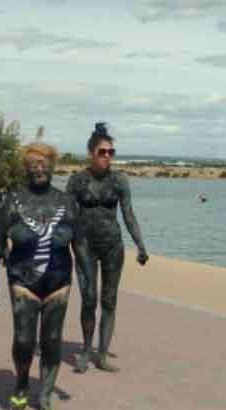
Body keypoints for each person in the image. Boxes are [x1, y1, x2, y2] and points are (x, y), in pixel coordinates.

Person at [0, 143, 80, 410]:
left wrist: (88, 284)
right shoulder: (12, 201)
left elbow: (82, 244)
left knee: (51, 341)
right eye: (33, 164)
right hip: (22, 281)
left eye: (44, 163)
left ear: (52, 166)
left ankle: (46, 396)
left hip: (59, 281)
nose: (39, 168)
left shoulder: (67, 202)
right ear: (25, 169)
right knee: (24, 340)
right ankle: (22, 384)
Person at [66, 123, 148, 374]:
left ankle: (102, 354)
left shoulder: (119, 180)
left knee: (109, 300)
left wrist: (140, 244)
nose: (107, 156)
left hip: (112, 245)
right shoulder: (77, 180)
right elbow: (68, 216)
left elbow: (128, 213)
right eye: (102, 152)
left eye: (111, 152)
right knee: (89, 299)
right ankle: (86, 350)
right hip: (84, 246)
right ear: (91, 153)